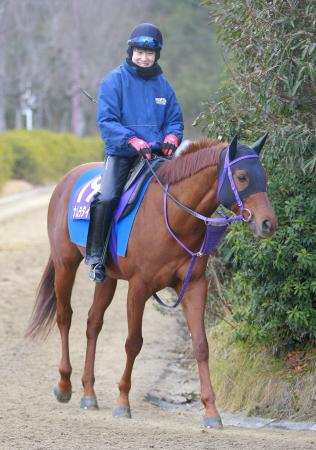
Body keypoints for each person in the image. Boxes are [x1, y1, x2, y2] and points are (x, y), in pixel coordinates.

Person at [85, 22, 184, 282]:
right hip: (122, 154)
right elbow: (107, 121)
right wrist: (132, 140)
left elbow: (174, 119)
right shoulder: (113, 81)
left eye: (149, 53)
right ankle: (96, 256)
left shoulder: (164, 86)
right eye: (139, 52)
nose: (143, 57)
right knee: (107, 197)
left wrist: (173, 136)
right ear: (130, 52)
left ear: (156, 56)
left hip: (156, 156)